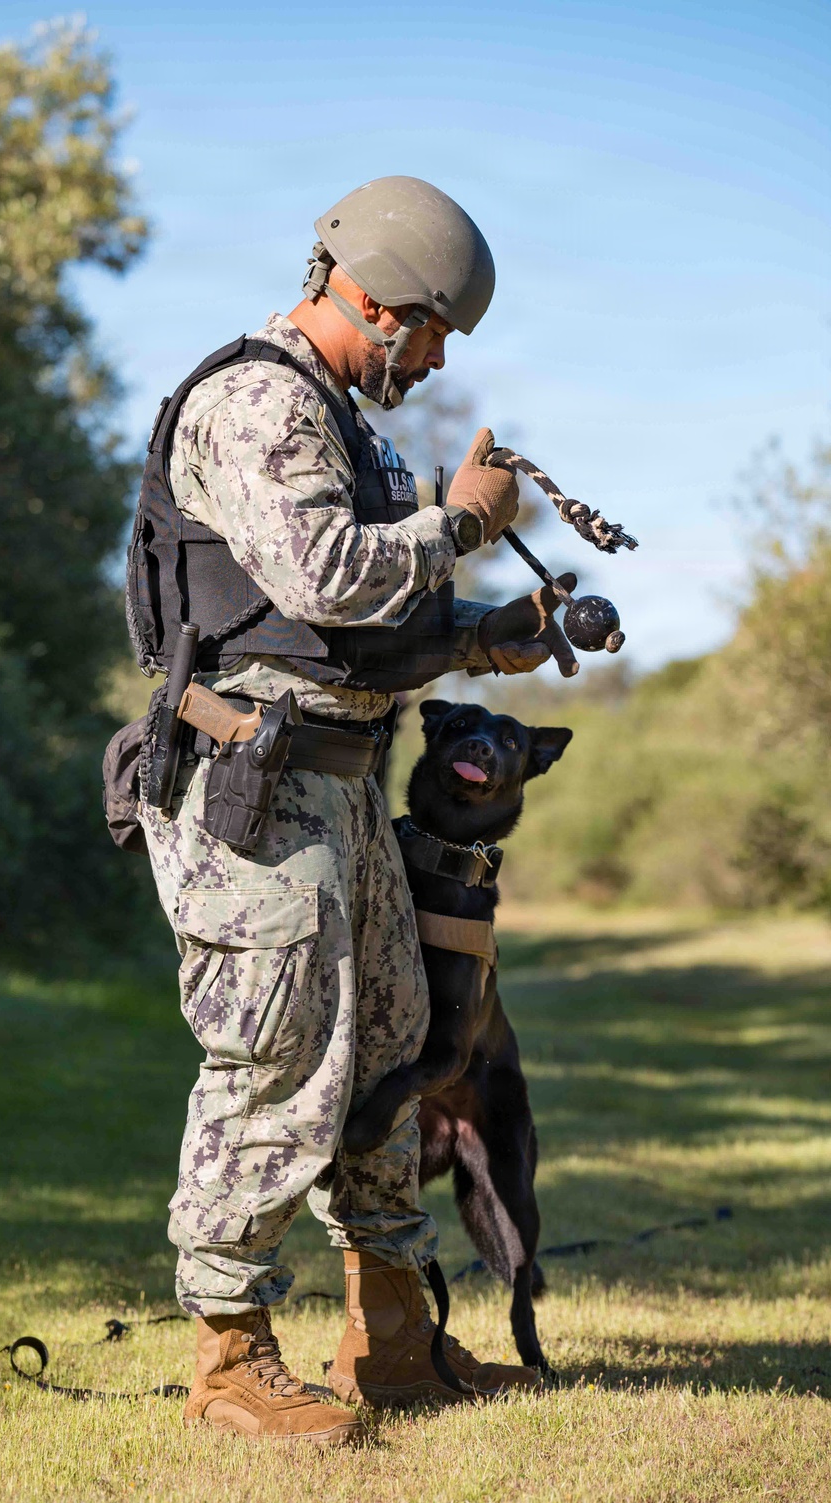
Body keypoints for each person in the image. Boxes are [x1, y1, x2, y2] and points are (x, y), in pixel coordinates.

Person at [134, 176, 576, 1446]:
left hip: (344, 791)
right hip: (256, 798)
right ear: (376, 299)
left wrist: (484, 642)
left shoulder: (347, 422)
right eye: (431, 331)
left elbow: (350, 639)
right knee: (272, 1061)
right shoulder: (261, 398)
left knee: (392, 1054)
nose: (432, 356)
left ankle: (389, 1339)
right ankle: (228, 1362)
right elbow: (321, 571)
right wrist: (459, 528)